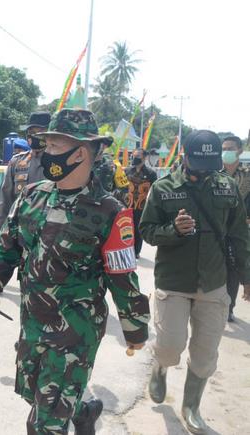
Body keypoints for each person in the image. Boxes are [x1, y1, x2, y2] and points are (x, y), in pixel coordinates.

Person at [0, 109, 150, 435]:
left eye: (53, 147)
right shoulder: (32, 196)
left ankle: (69, 411)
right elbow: (6, 251)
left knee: (45, 423)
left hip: (76, 333)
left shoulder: (110, 211)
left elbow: (123, 277)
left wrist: (135, 328)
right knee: (34, 394)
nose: (44, 153)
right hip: (34, 324)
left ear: (79, 152)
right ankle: (82, 412)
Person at [140, 130, 250, 434]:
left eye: (209, 162)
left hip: (214, 282)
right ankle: (160, 367)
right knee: (170, 345)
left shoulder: (227, 188)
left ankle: (191, 407)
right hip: (174, 280)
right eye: (198, 161)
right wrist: (172, 230)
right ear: (184, 156)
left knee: (205, 355)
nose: (204, 168)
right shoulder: (162, 188)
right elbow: (147, 231)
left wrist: (247, 277)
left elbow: (240, 234)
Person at [0, 112, 50, 241]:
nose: (33, 136)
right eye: (31, 131)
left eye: (39, 131)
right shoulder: (17, 162)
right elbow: (4, 198)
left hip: (47, 234)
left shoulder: (59, 163)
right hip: (17, 233)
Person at [221, 135, 250, 322]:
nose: (226, 152)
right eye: (224, 148)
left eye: (230, 148)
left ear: (239, 150)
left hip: (241, 229)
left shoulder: (247, 176)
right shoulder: (214, 174)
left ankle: (229, 307)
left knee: (233, 268)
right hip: (218, 228)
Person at [125, 148, 157, 258]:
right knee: (126, 228)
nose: (134, 158)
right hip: (127, 205)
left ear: (144, 158)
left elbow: (154, 191)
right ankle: (126, 249)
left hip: (141, 206)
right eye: (133, 156)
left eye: (137, 156)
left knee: (138, 229)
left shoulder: (151, 174)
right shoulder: (127, 171)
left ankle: (136, 251)